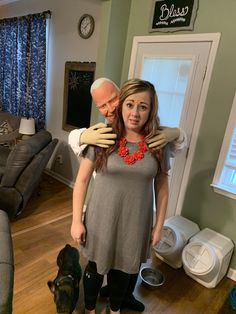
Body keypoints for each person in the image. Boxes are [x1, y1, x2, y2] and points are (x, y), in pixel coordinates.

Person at [68, 77, 187, 312]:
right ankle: (90, 309)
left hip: (136, 222)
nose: (134, 112)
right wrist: (75, 221)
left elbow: (162, 185)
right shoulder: (101, 136)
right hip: (101, 218)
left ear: (150, 110)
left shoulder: (158, 142)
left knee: (125, 271)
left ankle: (115, 309)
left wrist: (159, 224)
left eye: (143, 106)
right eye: (130, 105)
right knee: (94, 268)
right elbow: (81, 180)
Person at [68, 78, 187, 158]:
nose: (110, 109)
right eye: (103, 106)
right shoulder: (100, 135)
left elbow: (178, 149)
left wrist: (176, 133)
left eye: (113, 99)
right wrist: (81, 136)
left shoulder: (149, 131)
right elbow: (72, 140)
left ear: (123, 95)